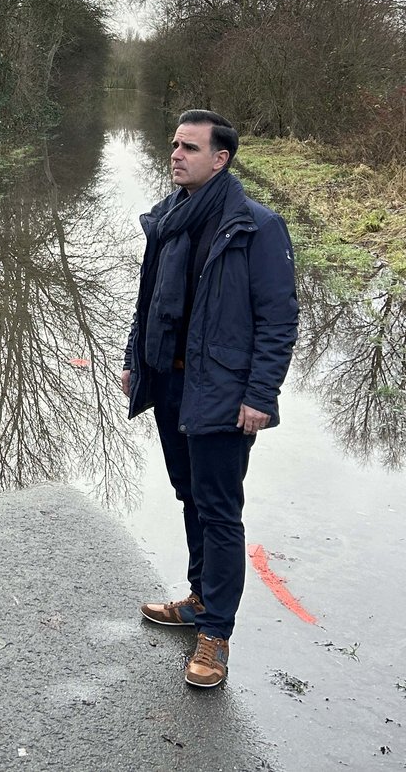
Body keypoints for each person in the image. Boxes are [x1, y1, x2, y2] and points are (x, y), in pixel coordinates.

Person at [121, 109, 298, 688]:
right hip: (170, 383)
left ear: (220, 159)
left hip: (222, 391)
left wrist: (260, 395)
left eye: (190, 147)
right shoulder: (170, 217)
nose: (176, 154)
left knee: (220, 509)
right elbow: (148, 298)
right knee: (189, 495)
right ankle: (199, 598)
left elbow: (278, 320)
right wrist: (134, 361)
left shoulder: (256, 226)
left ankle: (216, 633)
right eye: (174, 144)